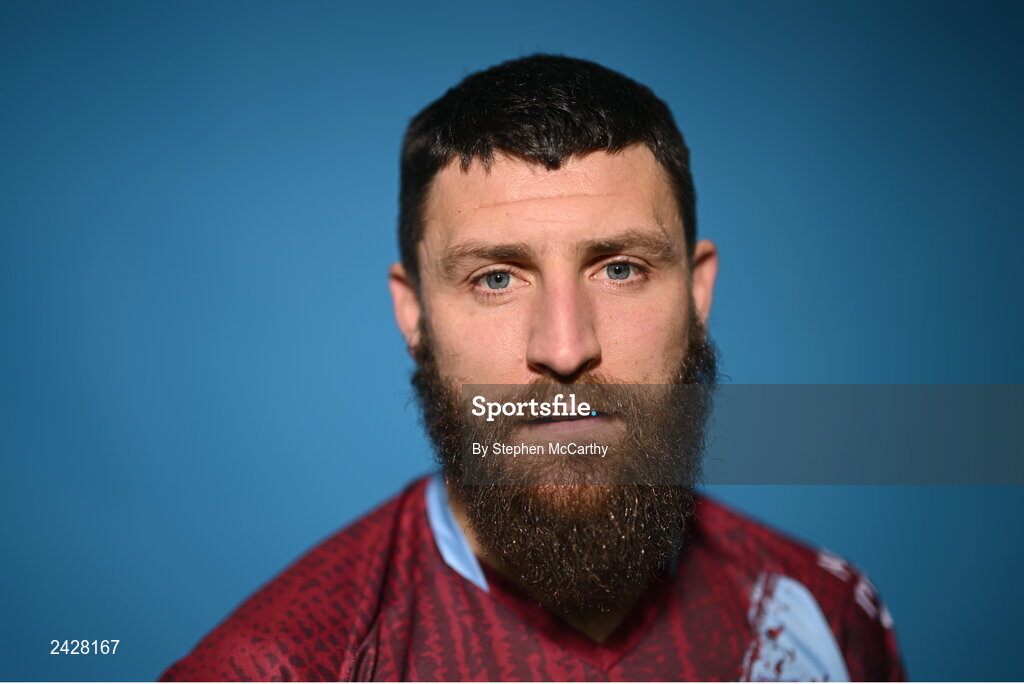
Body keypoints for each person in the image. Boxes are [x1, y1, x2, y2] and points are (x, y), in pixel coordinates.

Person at [160, 54, 904, 682]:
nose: (564, 347)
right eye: (494, 278)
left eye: (619, 269)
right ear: (413, 313)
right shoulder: (275, 669)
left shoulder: (822, 615)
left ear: (697, 292)